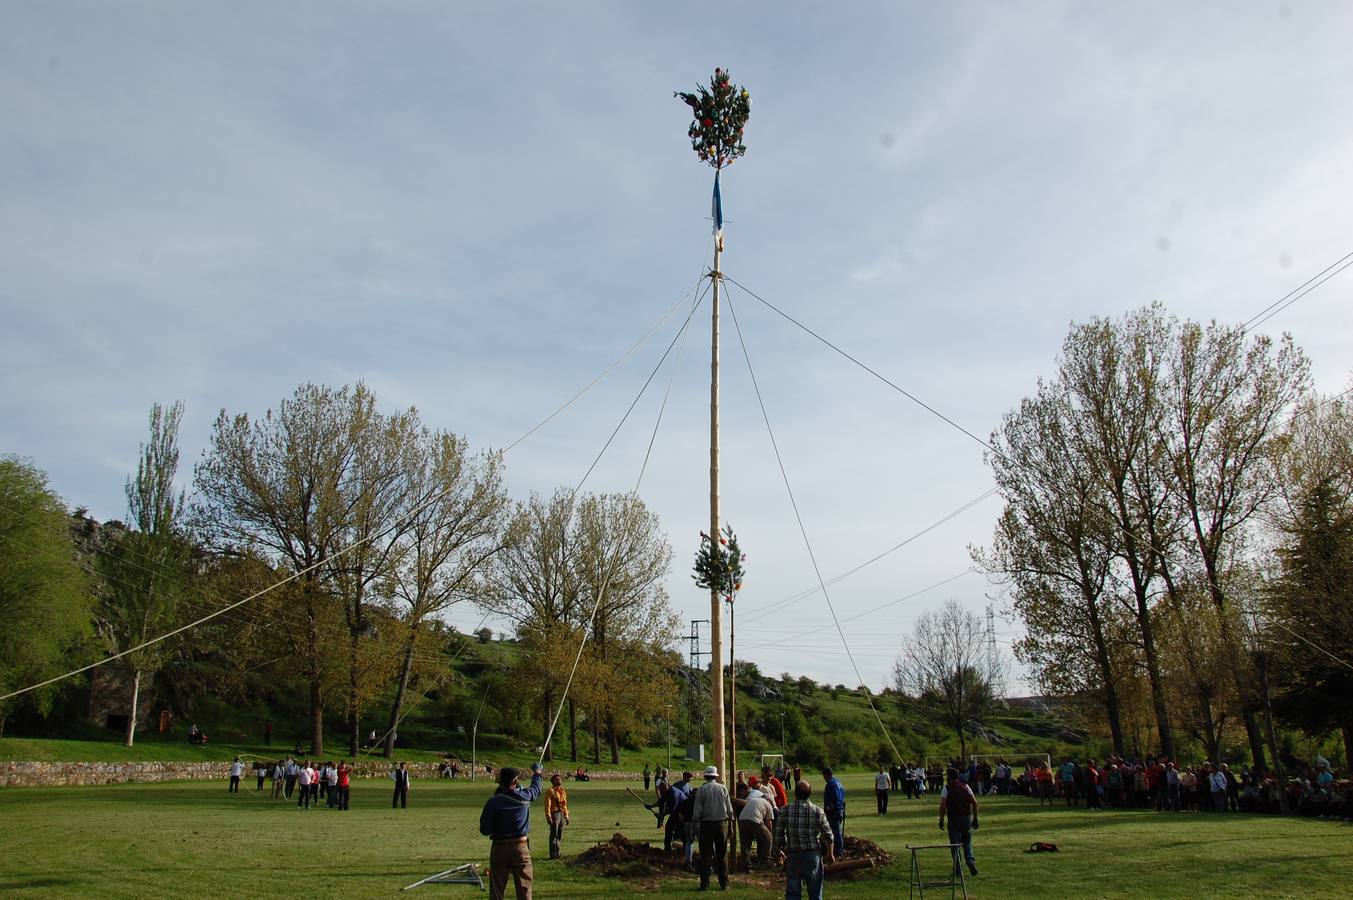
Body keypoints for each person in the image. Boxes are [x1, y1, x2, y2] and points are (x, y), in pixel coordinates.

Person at [479, 762, 544, 900]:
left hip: (499, 848)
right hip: (520, 847)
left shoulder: (493, 802)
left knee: (497, 890)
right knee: (524, 889)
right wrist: (537, 773)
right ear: (516, 780)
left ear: (500, 781)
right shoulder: (525, 796)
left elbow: (485, 830)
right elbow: (536, 789)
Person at [775, 780, 835, 900]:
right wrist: (830, 854)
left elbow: (778, 835)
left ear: (795, 794)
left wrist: (778, 851)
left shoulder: (784, 810)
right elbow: (828, 835)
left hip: (793, 855)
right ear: (810, 794)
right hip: (812, 855)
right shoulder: (817, 811)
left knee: (793, 892)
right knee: (815, 892)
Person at [691, 765, 734, 891]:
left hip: (706, 826)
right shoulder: (723, 789)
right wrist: (730, 826)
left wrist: (694, 827)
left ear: (705, 776)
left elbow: (696, 813)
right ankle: (724, 884)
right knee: (722, 855)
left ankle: (704, 884)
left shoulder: (701, 790)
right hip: (721, 825)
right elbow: (730, 811)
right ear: (716, 776)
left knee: (705, 856)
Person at [939, 767, 978, 877]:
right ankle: (970, 861)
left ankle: (958, 868)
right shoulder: (966, 786)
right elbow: (975, 803)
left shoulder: (946, 788)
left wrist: (941, 819)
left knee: (955, 844)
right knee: (967, 841)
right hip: (966, 818)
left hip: (953, 819)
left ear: (949, 777)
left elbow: (943, 805)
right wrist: (975, 818)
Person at [737, 778, 775, 871]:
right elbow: (769, 822)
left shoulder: (753, 800)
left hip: (742, 820)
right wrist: (769, 834)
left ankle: (746, 866)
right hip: (754, 820)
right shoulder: (768, 804)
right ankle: (766, 862)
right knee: (768, 838)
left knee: (745, 844)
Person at [821, 768, 846, 860]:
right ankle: (836, 849)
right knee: (835, 831)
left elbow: (834, 798)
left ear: (826, 775)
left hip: (834, 811)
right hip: (840, 809)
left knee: (834, 831)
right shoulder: (838, 782)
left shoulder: (830, 784)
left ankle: (838, 851)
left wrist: (828, 808)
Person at [545, 773, 570, 859]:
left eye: (559, 778)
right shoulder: (550, 791)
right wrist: (548, 816)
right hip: (554, 814)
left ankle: (557, 853)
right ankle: (553, 855)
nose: (559, 779)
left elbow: (564, 805)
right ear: (553, 781)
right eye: (556, 779)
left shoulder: (563, 791)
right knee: (553, 834)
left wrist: (566, 815)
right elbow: (547, 805)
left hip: (561, 814)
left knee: (559, 834)